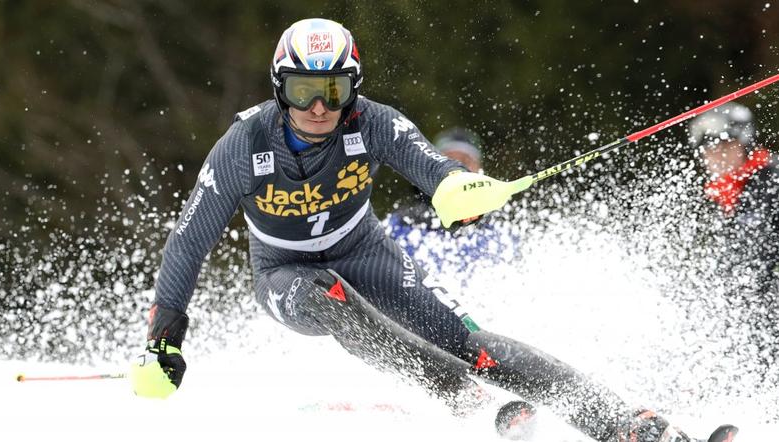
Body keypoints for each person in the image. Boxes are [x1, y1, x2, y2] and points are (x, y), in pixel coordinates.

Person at [130, 18, 734, 442]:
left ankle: (622, 422)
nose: (319, 106)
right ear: (279, 88)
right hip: (285, 273)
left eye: (333, 90)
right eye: (304, 90)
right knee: (327, 299)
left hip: (365, 251)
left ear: (352, 89)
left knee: (468, 339)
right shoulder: (243, 144)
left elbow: (431, 167)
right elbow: (189, 241)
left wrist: (459, 191)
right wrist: (166, 336)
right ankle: (452, 390)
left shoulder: (372, 123)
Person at [689, 102, 779, 373]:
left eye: (726, 145)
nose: (718, 155)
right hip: (751, 318)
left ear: (745, 144)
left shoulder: (771, 180)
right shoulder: (728, 194)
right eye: (710, 148)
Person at [384, 128, 518, 276]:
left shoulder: (500, 233)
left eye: (465, 161)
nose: (456, 170)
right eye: (447, 160)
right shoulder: (401, 224)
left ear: (480, 171)